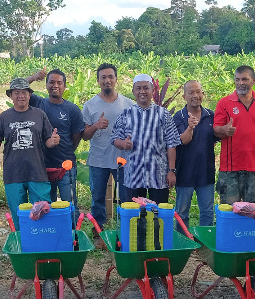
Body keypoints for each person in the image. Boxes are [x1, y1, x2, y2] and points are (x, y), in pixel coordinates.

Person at [0, 78, 59, 230]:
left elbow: (47, 140)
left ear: (29, 95)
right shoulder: (4, 117)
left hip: (37, 172)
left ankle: (41, 244)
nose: (21, 96)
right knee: (19, 215)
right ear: (11, 96)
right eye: (17, 93)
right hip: (13, 174)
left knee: (42, 212)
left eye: (24, 92)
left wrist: (53, 141)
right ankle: (23, 245)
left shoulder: (39, 115)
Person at [110, 74, 181, 203]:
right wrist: (123, 143)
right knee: (134, 218)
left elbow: (172, 143)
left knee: (158, 217)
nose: (142, 91)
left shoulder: (163, 114)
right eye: (138, 88)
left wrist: (171, 171)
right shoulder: (126, 114)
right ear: (133, 92)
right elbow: (115, 138)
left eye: (146, 88)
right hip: (134, 176)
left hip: (158, 176)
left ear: (152, 91)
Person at [213, 65, 255, 204]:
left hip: (254, 166)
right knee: (229, 209)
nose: (240, 83)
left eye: (244, 79)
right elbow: (216, 129)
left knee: (251, 209)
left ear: (253, 81)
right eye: (237, 79)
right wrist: (224, 130)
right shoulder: (224, 103)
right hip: (230, 168)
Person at [81, 63, 134, 225]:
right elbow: (84, 136)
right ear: (98, 81)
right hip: (98, 160)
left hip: (123, 160)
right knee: (97, 199)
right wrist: (96, 126)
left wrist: (128, 141)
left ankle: (126, 231)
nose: (107, 80)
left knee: (126, 199)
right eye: (103, 77)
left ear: (116, 80)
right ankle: (98, 232)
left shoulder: (129, 104)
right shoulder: (90, 105)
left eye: (110, 77)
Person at [25, 68, 86, 205]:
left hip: (66, 166)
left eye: (59, 83)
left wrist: (65, 148)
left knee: (69, 206)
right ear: (46, 85)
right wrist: (34, 77)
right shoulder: (38, 103)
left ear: (64, 86)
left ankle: (72, 227)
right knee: (46, 207)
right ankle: (50, 228)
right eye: (51, 82)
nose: (55, 86)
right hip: (42, 166)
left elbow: (76, 137)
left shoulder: (72, 109)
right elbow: (16, 86)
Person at [172, 80, 218, 226]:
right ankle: (183, 241)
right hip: (184, 173)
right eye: (191, 92)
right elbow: (182, 141)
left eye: (198, 91)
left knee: (207, 211)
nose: (195, 95)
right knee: (182, 212)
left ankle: (205, 241)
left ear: (203, 94)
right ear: (184, 96)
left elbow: (219, 136)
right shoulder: (178, 117)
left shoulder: (211, 115)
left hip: (206, 172)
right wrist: (190, 128)